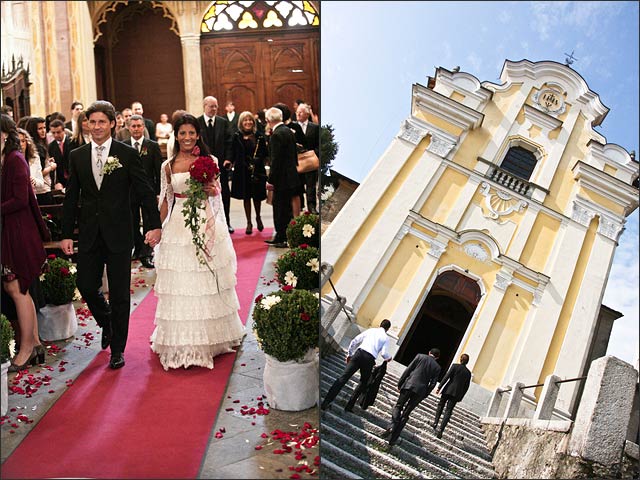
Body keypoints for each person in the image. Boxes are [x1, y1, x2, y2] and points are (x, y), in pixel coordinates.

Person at [60, 100, 162, 370]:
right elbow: (72, 198)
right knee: (85, 285)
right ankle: (107, 322)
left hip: (119, 233)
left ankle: (118, 349)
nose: (96, 127)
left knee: (119, 294)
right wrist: (66, 233)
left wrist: (154, 224)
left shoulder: (127, 154)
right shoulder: (78, 155)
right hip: (90, 233)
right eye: (92, 122)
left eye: (101, 122)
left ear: (113, 123)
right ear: (87, 124)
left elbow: (144, 191)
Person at [151, 113, 245, 370]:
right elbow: (165, 199)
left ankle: (211, 337)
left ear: (198, 135)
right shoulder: (167, 166)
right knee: (182, 281)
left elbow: (217, 194)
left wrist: (210, 189)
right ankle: (182, 340)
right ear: (176, 135)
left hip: (204, 221)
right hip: (178, 225)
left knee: (204, 277)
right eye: (182, 133)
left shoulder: (209, 160)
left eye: (192, 133)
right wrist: (156, 228)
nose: (187, 138)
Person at [1, 114, 49, 372]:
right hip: (11, 230)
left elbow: (20, 199)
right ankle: (36, 343)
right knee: (18, 289)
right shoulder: (7, 159)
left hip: (19, 232)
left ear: (5, 134)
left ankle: (27, 349)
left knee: (17, 288)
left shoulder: (15, 160)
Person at [321, 319, 393, 412]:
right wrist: (389, 358)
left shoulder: (371, 330)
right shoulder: (386, 338)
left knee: (343, 378)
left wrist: (350, 354)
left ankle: (326, 402)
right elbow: (384, 354)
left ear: (380, 325)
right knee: (363, 382)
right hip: (369, 359)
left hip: (359, 354)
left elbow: (355, 341)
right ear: (387, 329)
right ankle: (349, 406)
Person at [383, 347, 441, 447]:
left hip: (409, 385)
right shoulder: (437, 367)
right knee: (406, 414)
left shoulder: (419, 356)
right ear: (437, 357)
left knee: (398, 406)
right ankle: (393, 439)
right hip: (420, 391)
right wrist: (425, 394)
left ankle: (392, 425)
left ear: (429, 352)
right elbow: (433, 384)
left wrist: (400, 382)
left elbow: (408, 369)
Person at [128, 114, 163, 269]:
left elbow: (158, 171)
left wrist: (158, 192)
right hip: (130, 191)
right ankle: (137, 248)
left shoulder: (152, 146)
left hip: (148, 191)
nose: (136, 129)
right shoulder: (123, 146)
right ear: (129, 128)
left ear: (144, 127)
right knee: (133, 221)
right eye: (133, 126)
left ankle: (146, 253)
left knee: (149, 221)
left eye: (139, 126)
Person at [264, 107, 302, 248]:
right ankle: (285, 236)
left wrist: (270, 180)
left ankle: (282, 237)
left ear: (268, 120)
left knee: (280, 210)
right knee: (286, 209)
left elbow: (276, 161)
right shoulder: (288, 131)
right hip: (291, 176)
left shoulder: (276, 135)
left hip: (281, 178)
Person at [197, 96, 233, 233]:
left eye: (216, 106)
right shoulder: (197, 122)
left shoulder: (223, 122)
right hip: (203, 167)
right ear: (204, 106)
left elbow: (229, 142)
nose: (214, 109)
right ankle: (207, 224)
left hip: (221, 166)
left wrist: (228, 159)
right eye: (211, 106)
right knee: (205, 195)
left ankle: (226, 222)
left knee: (223, 195)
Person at [230, 111, 268, 235]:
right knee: (246, 196)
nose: (248, 122)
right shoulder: (237, 136)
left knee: (257, 196)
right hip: (243, 170)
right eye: (245, 120)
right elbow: (233, 152)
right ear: (241, 123)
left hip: (257, 169)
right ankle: (249, 222)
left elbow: (264, 152)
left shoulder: (259, 136)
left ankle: (258, 217)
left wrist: (258, 159)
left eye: (250, 120)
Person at [432, 353, 472, 439]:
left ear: (461, 359)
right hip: (456, 394)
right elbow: (466, 387)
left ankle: (435, 422)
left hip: (448, 390)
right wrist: (461, 397)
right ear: (467, 362)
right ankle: (441, 430)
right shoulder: (468, 373)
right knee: (448, 411)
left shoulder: (454, 366)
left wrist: (439, 386)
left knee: (440, 405)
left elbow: (447, 376)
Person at [295, 102, 320, 213]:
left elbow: (318, 144)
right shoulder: (292, 127)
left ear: (307, 114)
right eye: (297, 112)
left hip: (310, 160)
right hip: (297, 161)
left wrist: (314, 153)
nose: (298, 114)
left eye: (301, 112)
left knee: (311, 185)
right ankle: (299, 205)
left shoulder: (314, 127)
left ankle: (312, 206)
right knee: (298, 185)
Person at [25, 116, 56, 204]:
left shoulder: (36, 145)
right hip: (42, 190)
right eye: (40, 128)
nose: (43, 131)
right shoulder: (37, 147)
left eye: (44, 127)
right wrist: (51, 167)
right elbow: (39, 173)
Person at [17, 128, 46, 197]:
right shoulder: (11, 159)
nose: (21, 144)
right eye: (18, 142)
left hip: (32, 197)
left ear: (27, 142)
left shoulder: (34, 158)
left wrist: (34, 180)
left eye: (23, 141)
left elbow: (41, 184)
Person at [48, 119, 71, 191]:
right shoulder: (51, 147)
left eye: (58, 132)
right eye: (53, 133)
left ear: (64, 131)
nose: (56, 135)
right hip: (61, 181)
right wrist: (57, 182)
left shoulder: (72, 142)